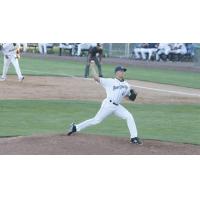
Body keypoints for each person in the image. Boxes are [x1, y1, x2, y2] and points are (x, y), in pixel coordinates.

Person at [67, 61, 142, 145]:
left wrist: (132, 97)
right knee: (96, 120)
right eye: (121, 71)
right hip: (108, 105)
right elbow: (96, 77)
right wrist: (92, 66)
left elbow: (126, 97)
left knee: (129, 116)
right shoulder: (109, 81)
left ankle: (134, 138)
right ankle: (75, 127)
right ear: (117, 72)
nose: (123, 72)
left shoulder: (127, 85)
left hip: (117, 107)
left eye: (123, 71)